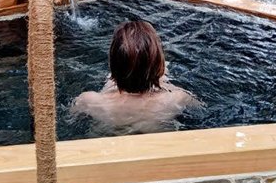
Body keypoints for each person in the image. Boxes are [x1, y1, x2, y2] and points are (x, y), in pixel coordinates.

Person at [71, 20, 199, 134]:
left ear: (112, 64)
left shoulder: (88, 101)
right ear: (158, 66)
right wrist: (160, 80)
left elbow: (71, 122)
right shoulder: (177, 99)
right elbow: (199, 109)